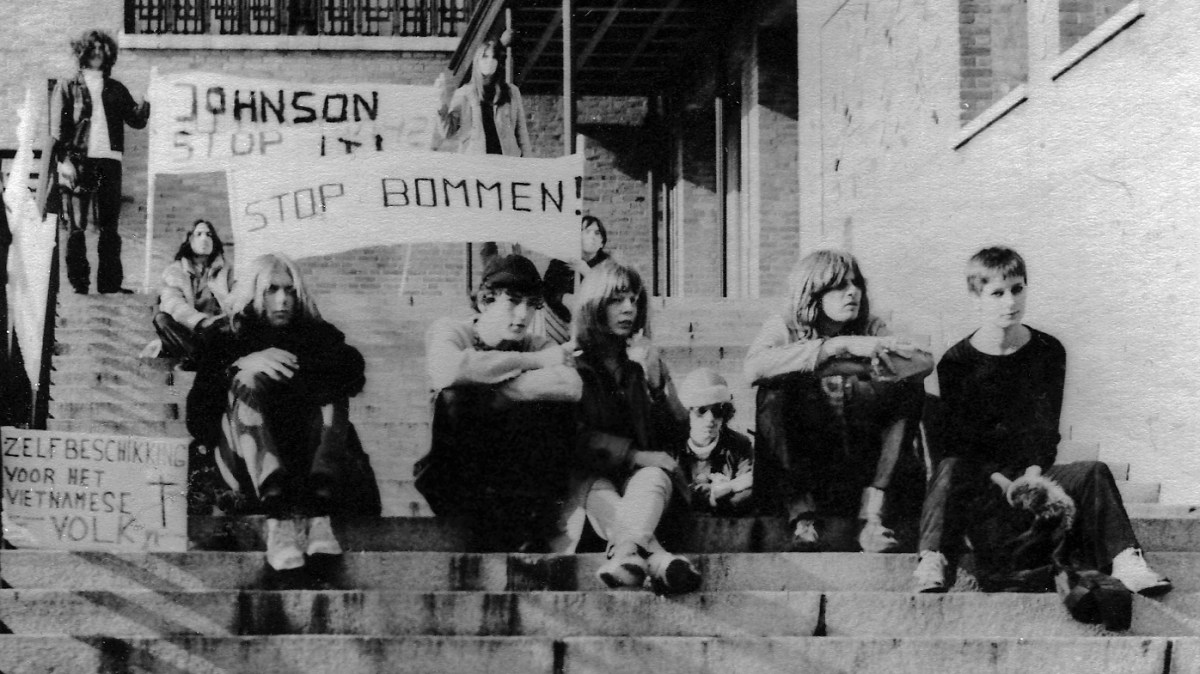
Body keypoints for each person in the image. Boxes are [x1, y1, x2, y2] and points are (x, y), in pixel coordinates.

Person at [913, 246, 1171, 596]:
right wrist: (1007, 484)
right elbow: (963, 446)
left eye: (1017, 289)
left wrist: (1033, 478)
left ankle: (1127, 561)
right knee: (950, 467)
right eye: (997, 293)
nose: (1010, 302)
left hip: (1036, 476)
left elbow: (1045, 432)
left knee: (1094, 472)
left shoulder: (1048, 350)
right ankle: (933, 560)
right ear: (976, 298)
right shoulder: (957, 362)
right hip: (986, 484)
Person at [197, 254, 378, 571]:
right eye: (272, 290)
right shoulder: (226, 336)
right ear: (255, 291)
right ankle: (278, 520)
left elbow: (352, 370)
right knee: (248, 379)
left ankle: (319, 513)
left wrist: (294, 365)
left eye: (290, 290)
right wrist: (239, 365)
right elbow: (197, 419)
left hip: (311, 470)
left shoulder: (317, 335)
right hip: (245, 467)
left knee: (332, 386)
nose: (282, 299)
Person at [744, 249, 932, 552]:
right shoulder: (785, 326)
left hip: (858, 469)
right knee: (773, 390)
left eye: (856, 283)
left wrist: (847, 364)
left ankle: (873, 517)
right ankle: (802, 519)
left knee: (909, 388)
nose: (853, 292)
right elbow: (753, 368)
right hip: (806, 471)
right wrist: (837, 347)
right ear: (813, 292)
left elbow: (922, 363)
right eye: (840, 286)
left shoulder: (871, 326)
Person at [416, 254, 580, 552]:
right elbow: (447, 370)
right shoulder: (451, 330)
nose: (523, 314)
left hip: (514, 477)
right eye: (513, 302)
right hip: (453, 479)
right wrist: (535, 363)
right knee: (455, 399)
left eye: (531, 304)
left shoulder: (536, 342)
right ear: (485, 301)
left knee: (554, 407)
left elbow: (570, 386)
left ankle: (526, 524)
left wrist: (491, 389)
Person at [568, 261, 699, 595]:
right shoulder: (574, 364)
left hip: (645, 488)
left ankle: (628, 555)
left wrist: (656, 384)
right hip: (589, 483)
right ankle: (658, 560)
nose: (629, 308)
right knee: (595, 485)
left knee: (653, 476)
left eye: (634, 300)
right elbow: (571, 436)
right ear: (595, 305)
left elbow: (677, 435)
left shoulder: (644, 361)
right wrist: (634, 455)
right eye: (616, 300)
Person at [49, 29, 150, 295]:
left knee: (109, 225)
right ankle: (79, 283)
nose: (97, 54)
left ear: (108, 54)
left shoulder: (116, 88)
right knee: (77, 226)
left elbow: (136, 120)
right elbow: (57, 130)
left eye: (102, 49)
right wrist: (64, 161)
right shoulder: (68, 86)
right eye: (92, 49)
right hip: (79, 161)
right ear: (83, 52)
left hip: (110, 161)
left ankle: (109, 283)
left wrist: (149, 97)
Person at [433, 34, 531, 271]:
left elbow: (521, 133)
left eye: (494, 58)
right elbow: (448, 131)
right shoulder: (465, 93)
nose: (489, 62)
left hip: (507, 169)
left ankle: (515, 276)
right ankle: (491, 278)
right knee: (485, 232)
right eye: (485, 57)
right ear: (477, 60)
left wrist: (530, 168)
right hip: (478, 172)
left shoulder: (511, 93)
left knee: (512, 230)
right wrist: (441, 102)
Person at [153, 219, 232, 369]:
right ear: (189, 240)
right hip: (188, 331)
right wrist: (201, 322)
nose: (204, 239)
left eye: (209, 235)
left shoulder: (226, 270)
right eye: (199, 234)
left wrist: (221, 319)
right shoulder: (174, 270)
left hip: (217, 331)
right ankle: (198, 357)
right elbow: (173, 304)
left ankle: (199, 358)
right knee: (161, 318)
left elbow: (236, 298)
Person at [676, 368, 754, 516]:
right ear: (687, 412)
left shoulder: (739, 444)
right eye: (701, 410)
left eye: (718, 411)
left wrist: (724, 493)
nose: (710, 419)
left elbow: (749, 485)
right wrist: (714, 493)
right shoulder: (674, 444)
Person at [542, 215, 611, 344]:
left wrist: (588, 273)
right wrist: (563, 298)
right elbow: (547, 290)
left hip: (595, 325)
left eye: (597, 233)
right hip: (561, 322)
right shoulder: (561, 261)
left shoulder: (608, 265)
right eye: (586, 231)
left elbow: (612, 293)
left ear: (602, 242)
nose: (592, 237)